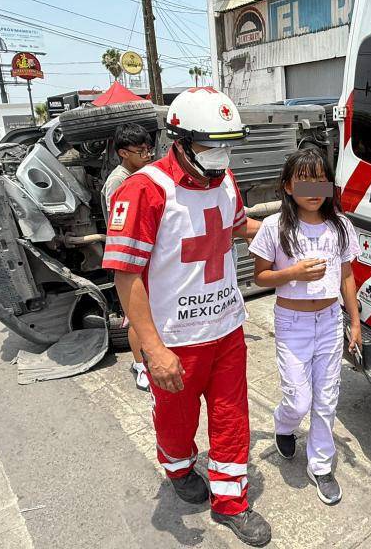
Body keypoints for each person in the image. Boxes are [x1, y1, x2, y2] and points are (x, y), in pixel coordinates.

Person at [102, 88, 270, 547]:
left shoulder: (226, 180)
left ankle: (231, 501)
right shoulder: (144, 191)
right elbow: (126, 278)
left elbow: (236, 227)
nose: (221, 154)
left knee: (232, 418)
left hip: (227, 329)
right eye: (210, 143)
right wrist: (153, 350)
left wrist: (293, 223)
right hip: (175, 338)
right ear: (179, 140)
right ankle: (178, 467)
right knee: (175, 422)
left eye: (227, 142)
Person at [249, 147, 362, 506]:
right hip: (292, 322)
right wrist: (293, 273)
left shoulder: (340, 226)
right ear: (287, 186)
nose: (314, 189)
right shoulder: (274, 227)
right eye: (304, 181)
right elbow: (260, 276)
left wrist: (354, 321)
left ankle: (321, 466)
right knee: (299, 399)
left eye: (321, 181)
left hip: (329, 321)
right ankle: (285, 423)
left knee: (326, 400)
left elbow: (347, 277)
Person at [101, 123, 154, 391]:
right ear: (123, 152)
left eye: (149, 149)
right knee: (137, 316)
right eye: (140, 151)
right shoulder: (119, 181)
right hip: (131, 258)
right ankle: (139, 364)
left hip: (147, 255)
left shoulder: (142, 174)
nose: (147, 155)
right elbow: (121, 225)